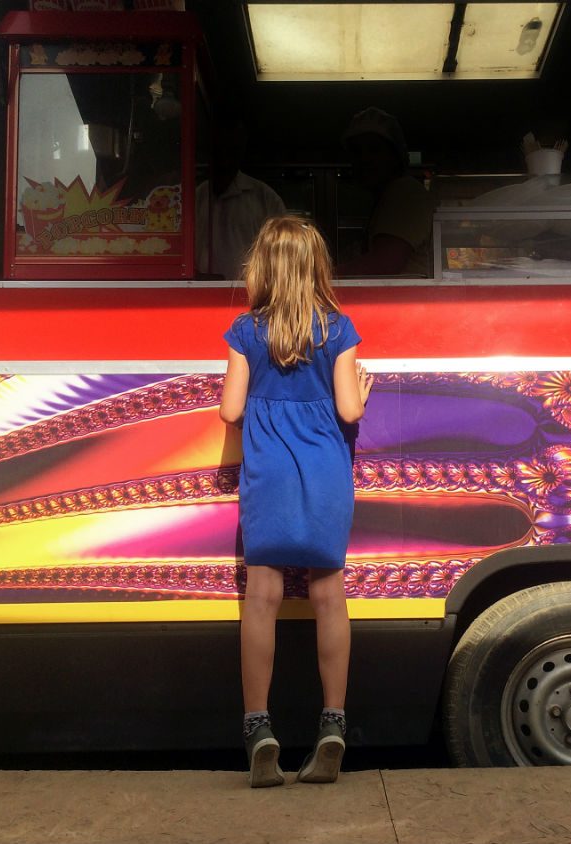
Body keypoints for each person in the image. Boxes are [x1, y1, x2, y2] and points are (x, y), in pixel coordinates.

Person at [219, 215, 374, 788]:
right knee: (328, 595)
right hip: (326, 472)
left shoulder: (245, 331)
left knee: (261, 598)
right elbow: (350, 412)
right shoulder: (338, 329)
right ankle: (332, 721)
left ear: (262, 266)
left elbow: (231, 412)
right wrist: (356, 391)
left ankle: (259, 729)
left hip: (270, 477)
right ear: (316, 267)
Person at [336, 107, 436, 277]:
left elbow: (384, 264)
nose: (365, 159)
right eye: (356, 151)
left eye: (375, 149)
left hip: (406, 301)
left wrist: (320, 279)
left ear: (396, 156)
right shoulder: (386, 198)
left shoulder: (404, 192)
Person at [196, 116, 287, 279]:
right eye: (219, 148)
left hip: (250, 294)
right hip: (196, 293)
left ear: (242, 151)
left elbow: (284, 255)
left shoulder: (266, 198)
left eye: (232, 149)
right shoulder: (195, 198)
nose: (224, 157)